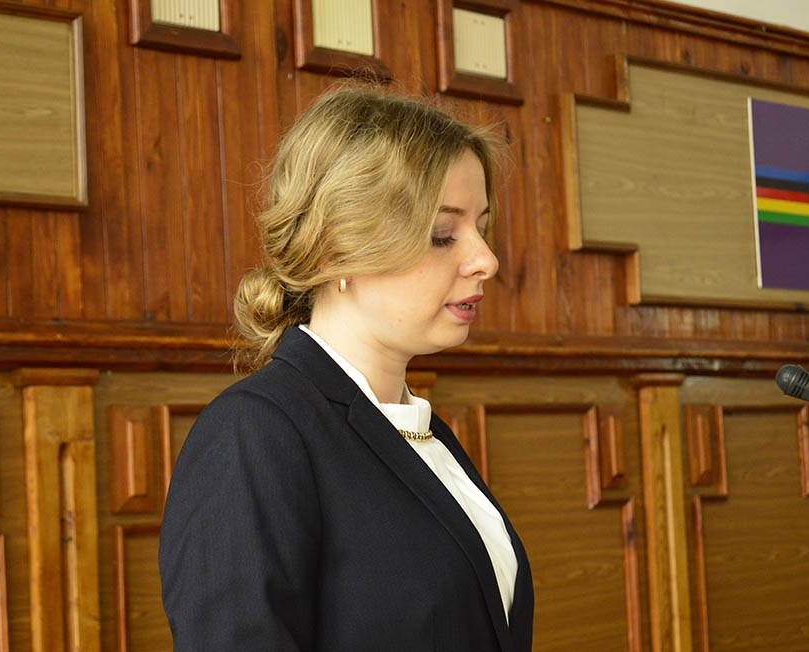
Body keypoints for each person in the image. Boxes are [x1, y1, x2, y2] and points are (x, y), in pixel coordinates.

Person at [158, 84, 534, 651]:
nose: (486, 259)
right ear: (336, 248)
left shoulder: (420, 429)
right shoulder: (253, 433)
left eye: (482, 227)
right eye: (442, 235)